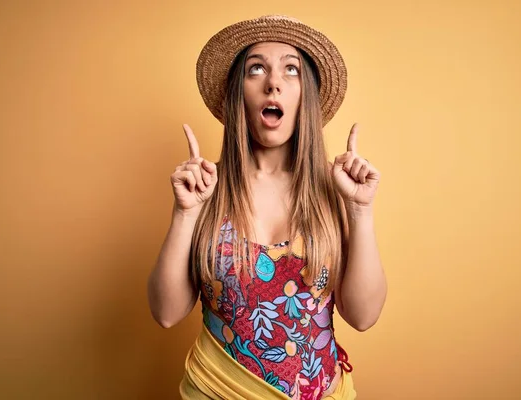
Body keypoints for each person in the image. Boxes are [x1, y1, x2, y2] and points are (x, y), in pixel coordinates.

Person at [147, 15, 387, 399]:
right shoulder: (208, 188)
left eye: (290, 70)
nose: (273, 82)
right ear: (238, 93)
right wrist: (185, 213)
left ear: (304, 96)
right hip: (217, 391)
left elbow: (363, 316)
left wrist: (360, 211)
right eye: (256, 68)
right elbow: (166, 313)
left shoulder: (336, 187)